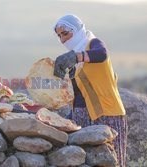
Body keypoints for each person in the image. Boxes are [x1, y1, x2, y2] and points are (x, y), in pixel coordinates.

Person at [53, 14, 127, 167]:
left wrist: (76, 56)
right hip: (83, 121)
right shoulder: (74, 61)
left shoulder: (93, 44)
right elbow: (79, 95)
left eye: (65, 33)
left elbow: (102, 54)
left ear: (78, 29)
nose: (62, 39)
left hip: (107, 115)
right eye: (59, 36)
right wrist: (64, 119)